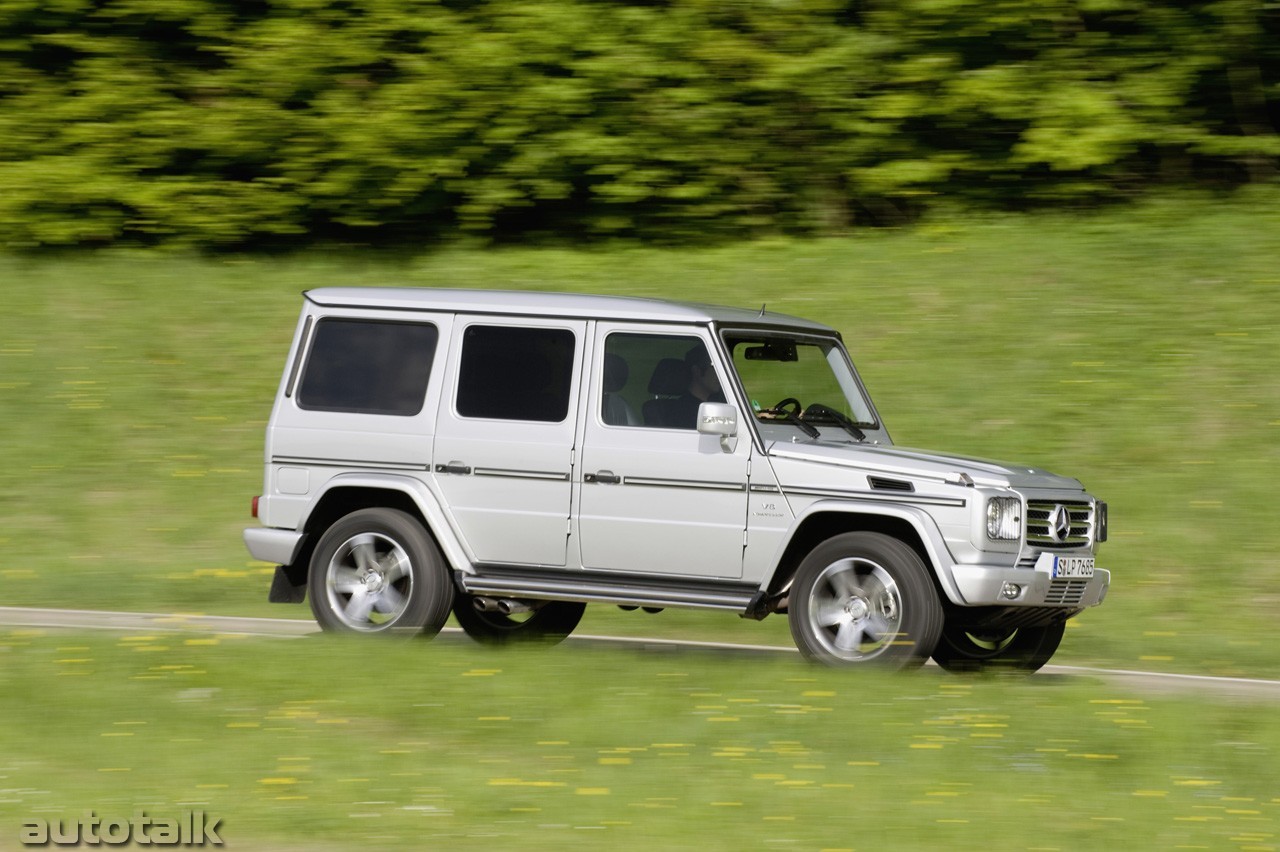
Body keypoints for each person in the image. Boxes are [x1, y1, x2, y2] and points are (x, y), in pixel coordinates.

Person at [671, 345, 725, 428]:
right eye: (714, 367)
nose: (720, 374)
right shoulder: (683, 411)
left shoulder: (719, 404)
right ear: (696, 371)